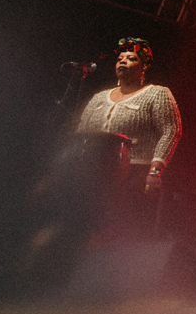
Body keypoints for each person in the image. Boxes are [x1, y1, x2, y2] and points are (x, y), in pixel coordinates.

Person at [75, 37, 182, 228]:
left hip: (135, 174)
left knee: (121, 227)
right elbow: (81, 131)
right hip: (93, 175)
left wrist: (155, 170)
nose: (123, 61)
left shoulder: (157, 94)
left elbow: (171, 131)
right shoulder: (99, 97)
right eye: (120, 59)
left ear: (144, 66)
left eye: (131, 58)